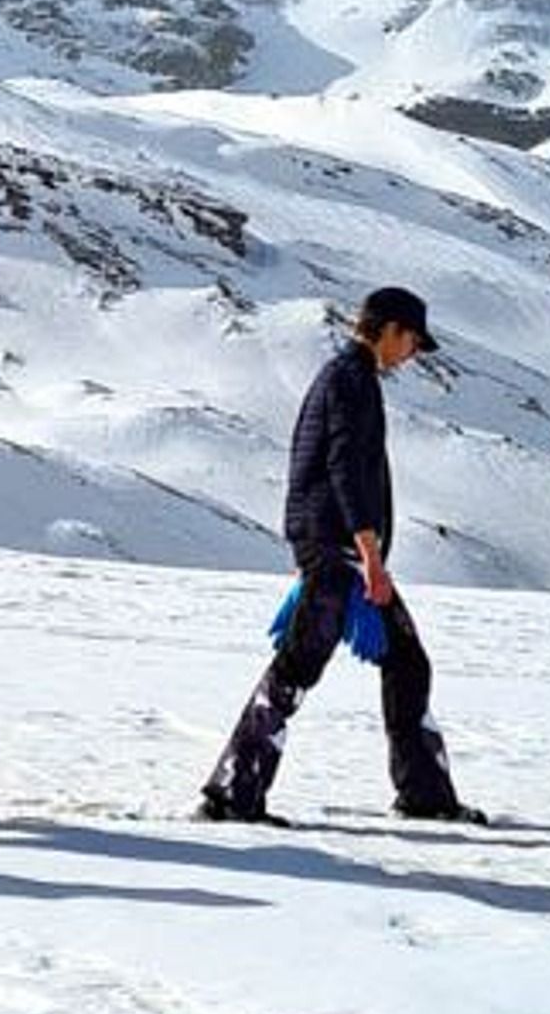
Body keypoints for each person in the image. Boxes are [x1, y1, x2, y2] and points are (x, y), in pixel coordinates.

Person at [200, 285, 483, 826]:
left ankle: (424, 793)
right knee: (301, 665)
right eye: (413, 342)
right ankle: (232, 794)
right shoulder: (351, 382)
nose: (413, 355)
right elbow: (345, 472)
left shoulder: (348, 378)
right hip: (339, 552)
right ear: (392, 330)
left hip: (332, 547)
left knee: (402, 661)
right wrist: (370, 557)